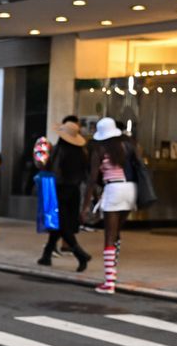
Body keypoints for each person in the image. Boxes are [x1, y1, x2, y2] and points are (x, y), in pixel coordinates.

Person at [81, 117, 137, 294]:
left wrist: (85, 205)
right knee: (117, 233)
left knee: (109, 237)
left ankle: (109, 282)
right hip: (130, 189)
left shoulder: (100, 149)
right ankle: (113, 273)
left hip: (113, 189)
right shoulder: (126, 147)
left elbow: (92, 179)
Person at [37, 116, 91, 272]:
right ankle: (46, 255)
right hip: (74, 191)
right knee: (60, 223)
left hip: (59, 190)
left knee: (60, 224)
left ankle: (80, 254)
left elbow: (52, 170)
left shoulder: (60, 151)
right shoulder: (82, 153)